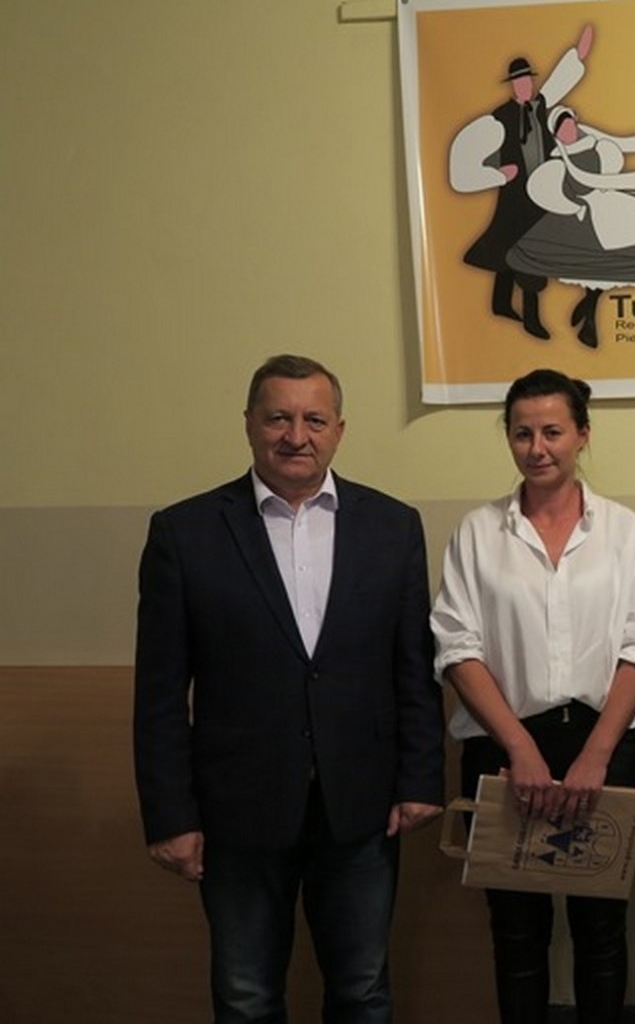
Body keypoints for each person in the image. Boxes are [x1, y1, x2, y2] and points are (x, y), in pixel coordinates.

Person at [133, 354, 444, 1023]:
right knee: (246, 999)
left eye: (314, 420)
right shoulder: (184, 533)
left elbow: (412, 668)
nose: (296, 436)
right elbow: (159, 695)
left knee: (363, 992)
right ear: (249, 424)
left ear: (339, 430)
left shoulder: (393, 526)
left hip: (361, 807)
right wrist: (171, 816)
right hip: (237, 811)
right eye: (278, 418)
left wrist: (421, 779)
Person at [431, 367, 635, 1024]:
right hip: (504, 747)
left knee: (601, 930)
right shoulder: (478, 533)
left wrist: (596, 754)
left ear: (582, 434)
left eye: (553, 432)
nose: (537, 448)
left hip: (606, 743)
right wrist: (520, 748)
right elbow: (456, 646)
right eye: (522, 433)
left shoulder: (621, 529)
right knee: (517, 933)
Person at [507, 104, 635, 349]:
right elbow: (555, 191)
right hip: (575, 212)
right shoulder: (557, 160)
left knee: (610, 257)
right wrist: (574, 203)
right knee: (561, 257)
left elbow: (606, 177)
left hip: (604, 204)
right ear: (556, 133)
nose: (568, 131)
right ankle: (567, 317)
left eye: (570, 126)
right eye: (562, 129)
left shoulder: (598, 148)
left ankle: (588, 316)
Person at [448, 27, 593, 338]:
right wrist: (499, 174)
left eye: (528, 81)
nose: (525, 86)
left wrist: (577, 55)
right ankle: (529, 317)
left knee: (521, 249)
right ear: (513, 86)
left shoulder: (541, 105)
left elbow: (559, 82)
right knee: (514, 248)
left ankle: (502, 304)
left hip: (541, 194)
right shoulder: (500, 117)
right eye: (519, 82)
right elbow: (466, 158)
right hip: (516, 197)